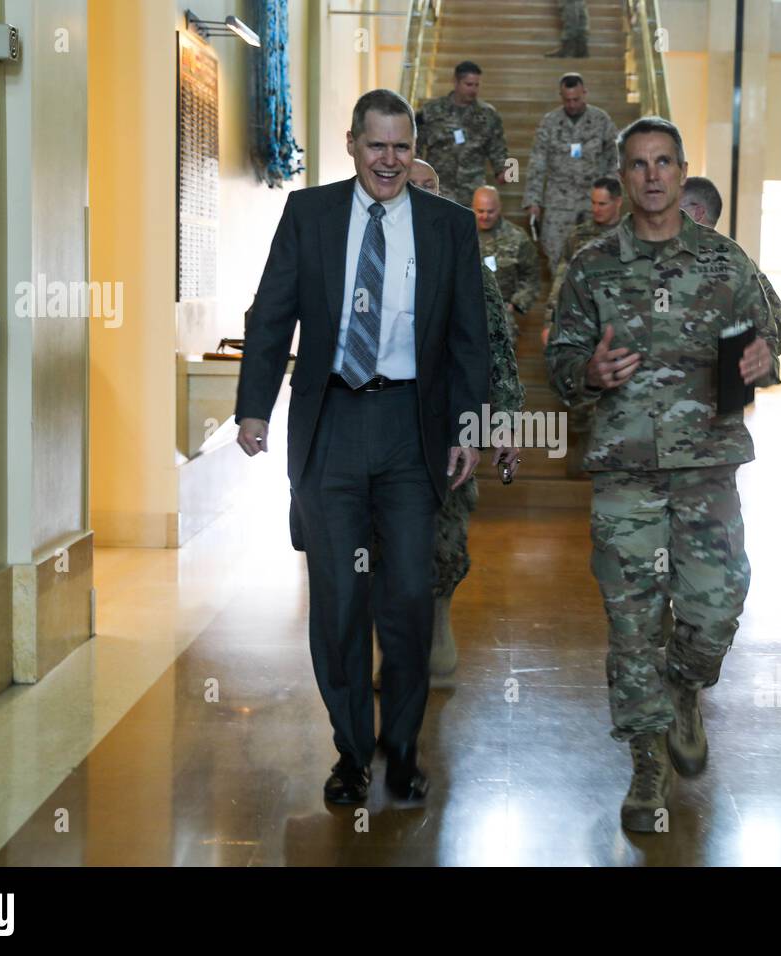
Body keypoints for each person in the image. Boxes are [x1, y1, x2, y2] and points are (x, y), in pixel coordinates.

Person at [234, 89, 490, 807]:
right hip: (333, 431)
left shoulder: (448, 227)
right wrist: (254, 408)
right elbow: (271, 315)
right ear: (351, 143)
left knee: (407, 598)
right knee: (340, 600)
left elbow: (470, 337)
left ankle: (401, 751)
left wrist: (470, 425)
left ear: (416, 148)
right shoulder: (309, 215)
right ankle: (352, 753)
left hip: (411, 432)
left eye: (402, 146)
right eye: (376, 145)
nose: (389, 160)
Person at [545, 117, 781, 833]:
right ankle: (646, 763)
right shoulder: (591, 268)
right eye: (638, 164)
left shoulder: (724, 261)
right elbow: (561, 363)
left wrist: (763, 358)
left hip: (708, 466)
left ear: (682, 174)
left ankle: (686, 685)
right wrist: (587, 371)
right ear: (623, 177)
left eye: (664, 163)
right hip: (626, 473)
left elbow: (771, 329)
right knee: (633, 626)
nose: (652, 175)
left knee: (716, 607)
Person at [372, 161, 525, 688]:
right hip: (383, 421)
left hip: (447, 427)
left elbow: (496, 351)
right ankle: (390, 641)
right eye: (412, 187)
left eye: (431, 187)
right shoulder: (370, 257)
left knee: (444, 534)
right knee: (379, 538)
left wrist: (502, 422)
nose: (421, 195)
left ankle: (437, 626)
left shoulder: (467, 264)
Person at [523, 73, 619, 268]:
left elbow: (615, 156)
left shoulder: (601, 120)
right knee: (556, 256)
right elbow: (537, 161)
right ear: (560, 95)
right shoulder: (550, 122)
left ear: (585, 93)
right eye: (567, 100)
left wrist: (610, 191)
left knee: (596, 256)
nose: (572, 104)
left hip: (593, 202)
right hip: (558, 202)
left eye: (576, 99)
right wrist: (533, 200)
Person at [680, 176, 781, 337]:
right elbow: (779, 329)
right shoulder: (743, 264)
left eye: (674, 208)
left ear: (697, 212)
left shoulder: (674, 260)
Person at [544, 175, 624, 344]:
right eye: (593, 203)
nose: (595, 209)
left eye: (602, 204)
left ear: (618, 202)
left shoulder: (631, 235)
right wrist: (549, 322)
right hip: (581, 318)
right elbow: (561, 279)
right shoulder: (578, 235)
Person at [416, 61, 510, 204]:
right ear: (455, 82)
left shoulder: (488, 114)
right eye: (468, 84)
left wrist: (504, 171)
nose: (473, 90)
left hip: (473, 189)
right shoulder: (431, 111)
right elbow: (415, 144)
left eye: (476, 85)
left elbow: (499, 148)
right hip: (439, 187)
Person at [473, 185, 540, 337]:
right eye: (480, 211)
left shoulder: (517, 237)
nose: (485, 216)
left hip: (502, 315)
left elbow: (532, 277)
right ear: (473, 207)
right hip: (465, 313)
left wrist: (515, 304)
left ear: (499, 208)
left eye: (491, 211)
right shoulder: (460, 234)